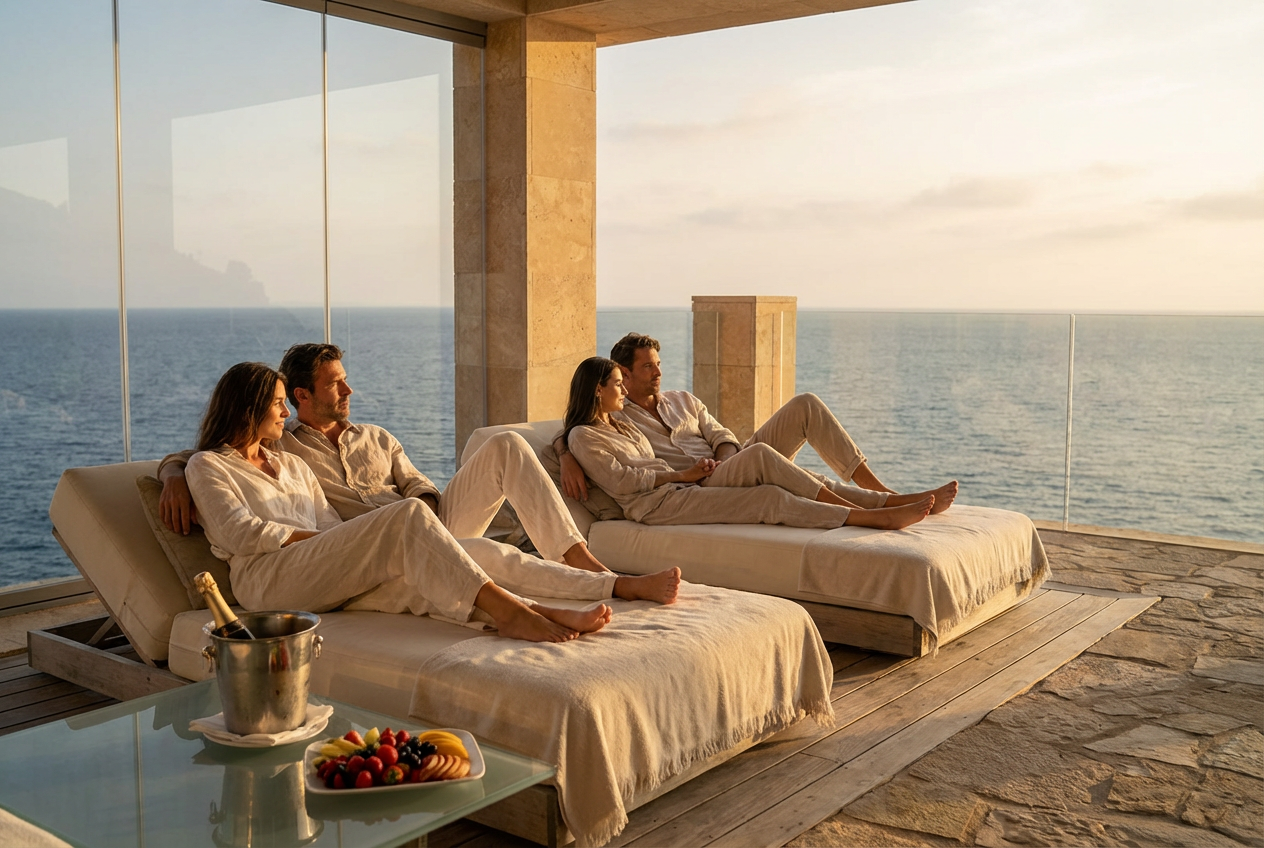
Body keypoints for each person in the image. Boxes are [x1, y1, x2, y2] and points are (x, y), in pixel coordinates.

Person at [160, 344, 679, 606]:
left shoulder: (377, 437)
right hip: (372, 544)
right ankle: (610, 590)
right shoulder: (286, 447)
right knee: (492, 553)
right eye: (336, 384)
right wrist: (172, 472)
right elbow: (216, 450)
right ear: (300, 397)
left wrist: (430, 504)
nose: (349, 392)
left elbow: (417, 484)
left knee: (505, 445)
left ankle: (588, 567)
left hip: (431, 523)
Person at [185, 362, 619, 642]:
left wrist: (351, 542)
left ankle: (548, 604)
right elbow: (239, 532)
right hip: (268, 579)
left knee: (435, 570)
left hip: (354, 550)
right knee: (409, 521)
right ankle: (514, 615)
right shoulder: (209, 465)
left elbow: (333, 517)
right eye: (278, 405)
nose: (284, 414)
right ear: (250, 407)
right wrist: (338, 541)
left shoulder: (294, 465)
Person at [558, 332, 958, 519]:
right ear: (623, 374)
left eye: (659, 364)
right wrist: (564, 457)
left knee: (806, 405)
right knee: (767, 459)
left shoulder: (683, 400)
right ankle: (865, 512)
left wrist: (728, 456)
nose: (658, 372)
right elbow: (576, 428)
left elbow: (721, 435)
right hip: (695, 484)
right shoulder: (618, 415)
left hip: (725, 466)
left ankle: (883, 491)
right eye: (648, 367)